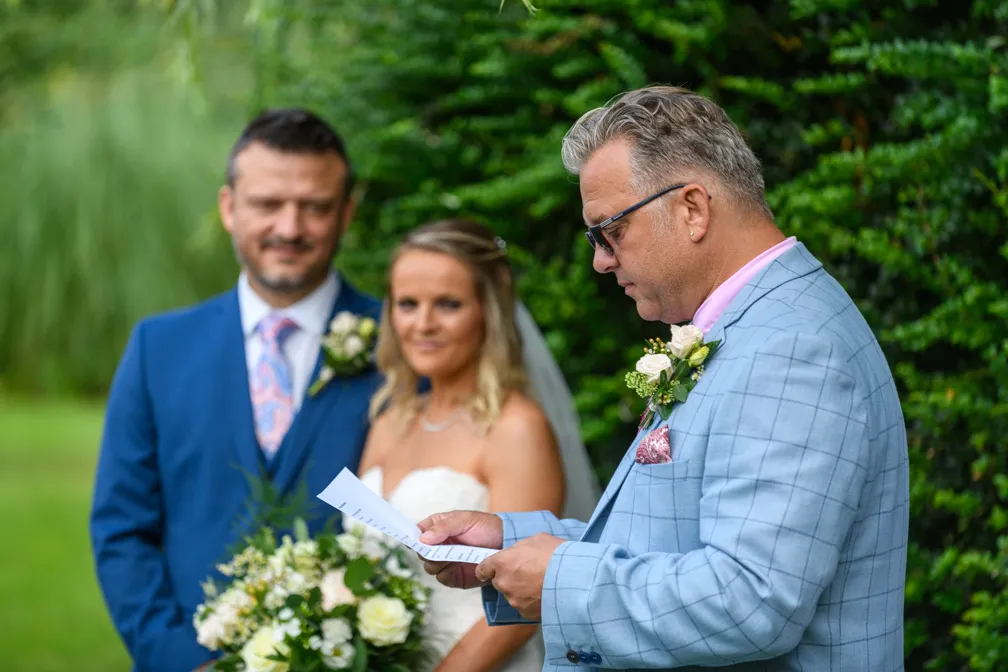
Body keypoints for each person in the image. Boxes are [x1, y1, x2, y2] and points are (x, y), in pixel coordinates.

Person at [417, 86, 910, 671]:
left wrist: (560, 581)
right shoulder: (755, 324)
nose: (600, 259)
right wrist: (512, 541)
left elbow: (750, 600)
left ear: (693, 209)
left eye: (610, 230)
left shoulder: (792, 348)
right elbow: (672, 541)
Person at [88, 109, 384, 671]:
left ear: (346, 213)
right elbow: (122, 529)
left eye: (315, 207)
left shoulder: (403, 346)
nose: (290, 228)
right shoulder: (157, 348)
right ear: (229, 207)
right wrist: (180, 660)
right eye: (267, 204)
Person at [351, 218, 599, 672]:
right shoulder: (389, 421)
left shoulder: (515, 427)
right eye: (408, 304)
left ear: (487, 309)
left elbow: (519, 605)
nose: (423, 324)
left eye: (448, 304)